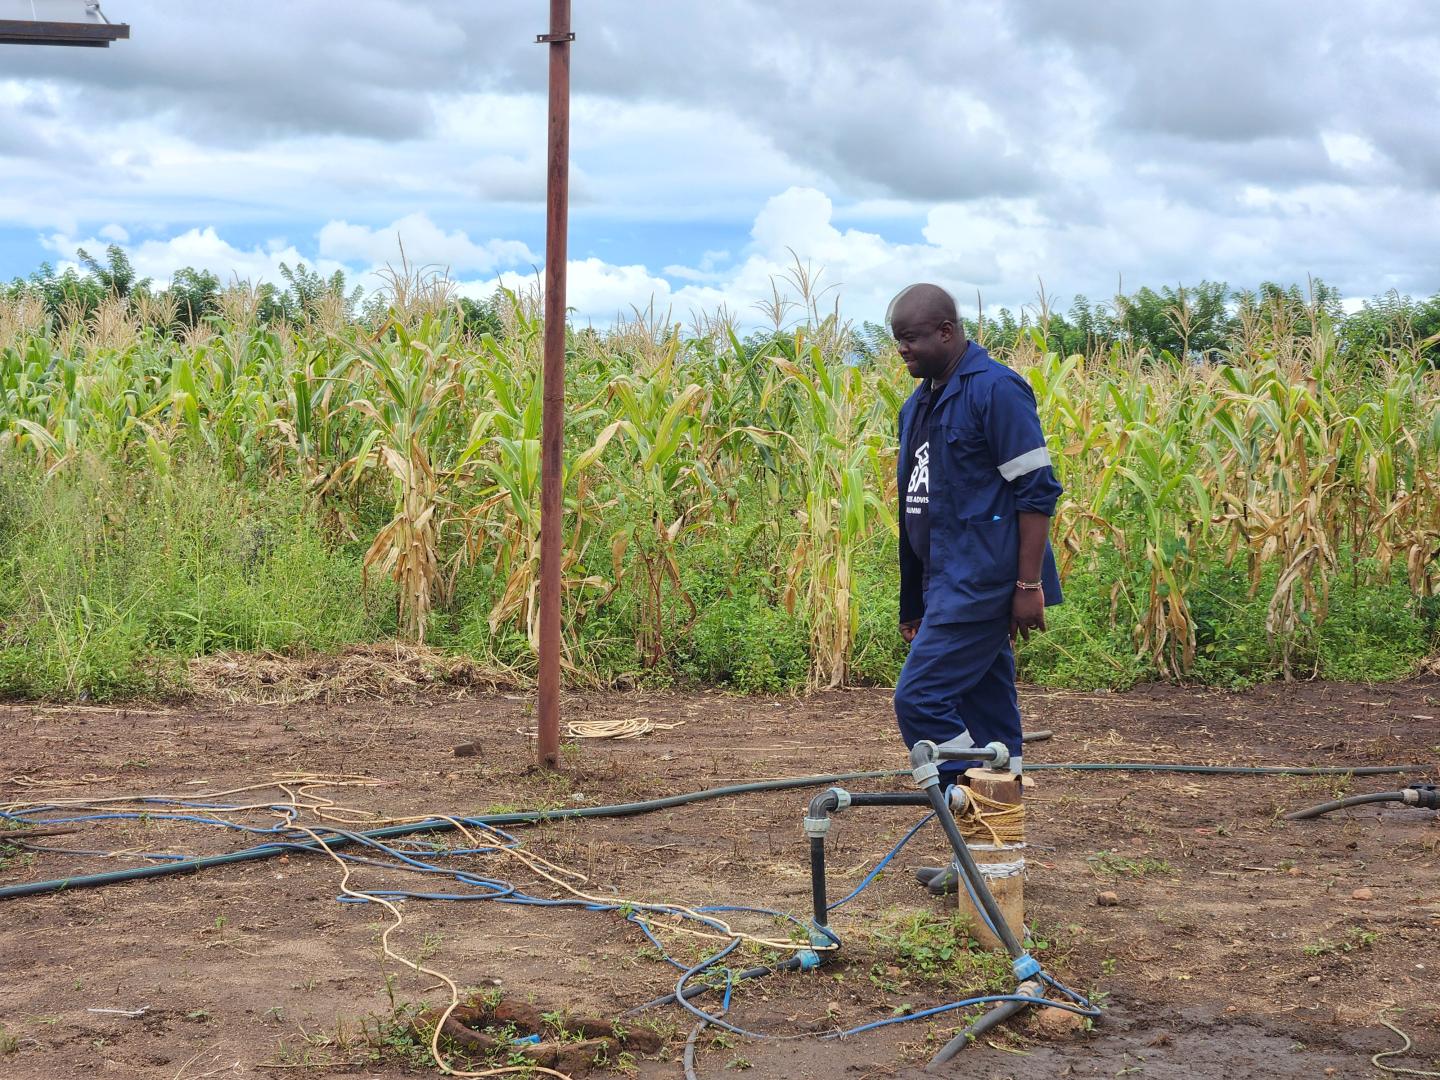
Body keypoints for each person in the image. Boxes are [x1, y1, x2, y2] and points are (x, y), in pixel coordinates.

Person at [887, 283, 1063, 895]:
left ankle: (974, 815)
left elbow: (1036, 490)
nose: (902, 350)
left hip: (984, 583)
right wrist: (916, 602)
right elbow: (920, 506)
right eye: (896, 340)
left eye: (909, 338)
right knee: (990, 719)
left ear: (945, 330)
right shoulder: (920, 404)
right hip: (945, 586)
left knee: (919, 701)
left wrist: (1027, 583)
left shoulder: (996, 390)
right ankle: (988, 864)